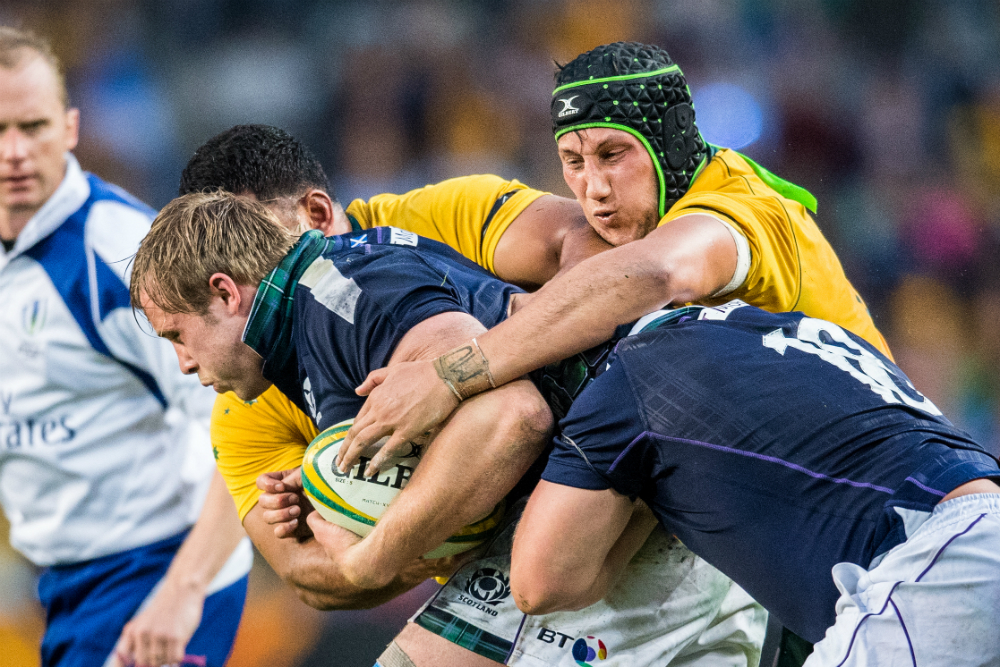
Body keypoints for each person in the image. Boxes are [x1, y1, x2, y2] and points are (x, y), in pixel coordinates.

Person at [338, 41, 892, 665]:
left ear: (670, 144)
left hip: (829, 528)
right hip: (769, 539)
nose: (593, 187)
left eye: (613, 154)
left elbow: (658, 273)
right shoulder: (560, 228)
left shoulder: (747, 211)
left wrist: (451, 376)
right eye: (571, 160)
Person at [131, 190, 767, 667]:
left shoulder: (339, 298)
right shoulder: (331, 291)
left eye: (178, 337)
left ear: (224, 292)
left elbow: (510, 417)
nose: (184, 363)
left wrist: (369, 560)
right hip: (652, 497)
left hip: (635, 496)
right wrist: (331, 491)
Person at [508, 300, 1000, 667]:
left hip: (941, 560)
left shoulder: (630, 370)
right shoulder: (812, 331)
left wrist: (644, 504)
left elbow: (538, 585)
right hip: (968, 534)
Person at [0, 27, 250, 667]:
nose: (15, 153)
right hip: (65, 583)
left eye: (33, 126)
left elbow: (246, 418)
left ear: (72, 127)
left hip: (159, 573)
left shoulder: (121, 257)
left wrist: (182, 591)